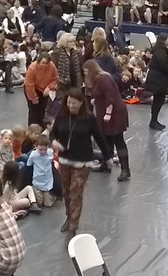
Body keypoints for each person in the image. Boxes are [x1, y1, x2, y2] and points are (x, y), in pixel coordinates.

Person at [51, 88, 106, 237]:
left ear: (81, 103)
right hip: (64, 159)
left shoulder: (89, 118)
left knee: (76, 191)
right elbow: (53, 134)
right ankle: (69, 217)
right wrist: (55, 142)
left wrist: (106, 156)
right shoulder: (62, 116)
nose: (71, 106)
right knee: (66, 191)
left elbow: (99, 137)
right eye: (69, 103)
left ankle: (73, 225)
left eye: (74, 103)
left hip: (82, 161)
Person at [83, 60, 130, 181]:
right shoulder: (98, 79)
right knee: (106, 138)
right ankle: (106, 164)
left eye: (86, 71)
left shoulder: (103, 79)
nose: (85, 74)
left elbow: (111, 96)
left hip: (114, 112)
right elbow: (101, 94)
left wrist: (108, 113)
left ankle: (125, 170)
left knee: (118, 139)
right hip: (103, 111)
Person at [143, 34, 168, 131]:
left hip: (156, 77)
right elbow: (163, 66)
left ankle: (154, 120)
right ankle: (153, 121)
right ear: (164, 40)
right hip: (158, 79)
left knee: (158, 100)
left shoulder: (159, 50)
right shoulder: (161, 52)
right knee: (159, 100)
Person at [23, 52, 57, 126]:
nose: (45, 65)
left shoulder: (52, 66)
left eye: (47, 63)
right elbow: (29, 84)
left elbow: (55, 79)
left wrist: (49, 87)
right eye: (43, 63)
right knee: (33, 111)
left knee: (43, 110)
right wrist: (34, 98)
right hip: (32, 89)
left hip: (44, 90)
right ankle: (32, 129)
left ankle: (41, 128)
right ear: (38, 61)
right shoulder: (32, 68)